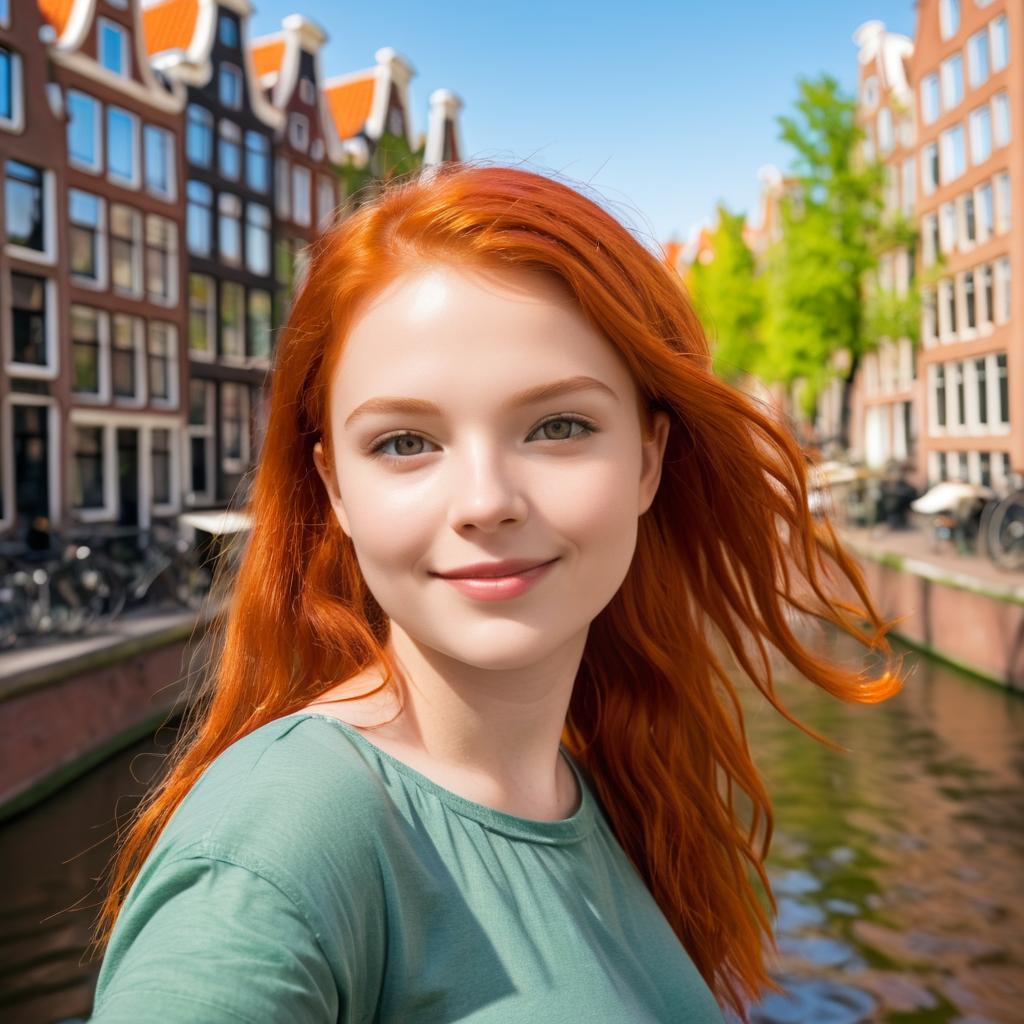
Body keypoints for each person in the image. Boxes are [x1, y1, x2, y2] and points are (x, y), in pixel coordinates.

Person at [86, 162, 904, 1023]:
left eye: (558, 427)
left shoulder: (606, 787)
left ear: (649, 461)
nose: (485, 502)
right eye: (405, 442)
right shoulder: (280, 842)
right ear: (335, 491)